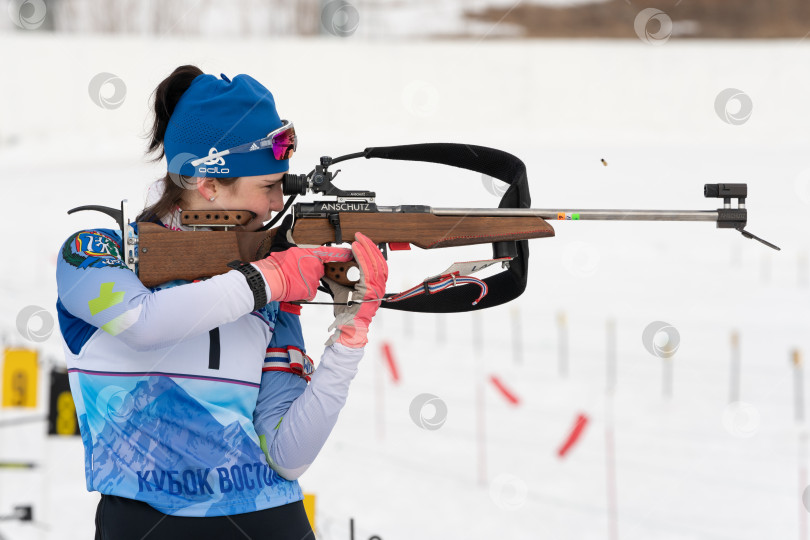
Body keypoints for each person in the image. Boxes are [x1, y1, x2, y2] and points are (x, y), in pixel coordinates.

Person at [55, 65, 388, 540]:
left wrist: (349, 339)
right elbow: (143, 323)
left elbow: (288, 458)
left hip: (271, 520)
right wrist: (267, 278)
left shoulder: (272, 291)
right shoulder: (95, 253)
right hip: (146, 524)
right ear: (209, 185)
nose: (278, 204)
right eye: (268, 186)